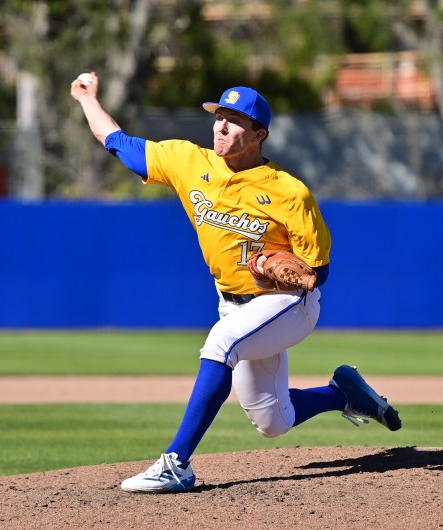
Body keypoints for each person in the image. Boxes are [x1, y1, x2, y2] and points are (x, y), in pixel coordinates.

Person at [70, 73, 401, 493]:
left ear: (259, 134)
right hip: (233, 304)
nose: (221, 127)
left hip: (288, 304)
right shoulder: (188, 161)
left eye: (234, 120)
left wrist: (289, 270)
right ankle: (343, 393)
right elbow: (117, 142)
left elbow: (319, 272)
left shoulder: (289, 192)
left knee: (220, 343)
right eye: (219, 116)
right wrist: (86, 100)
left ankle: (176, 464)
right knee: (272, 420)